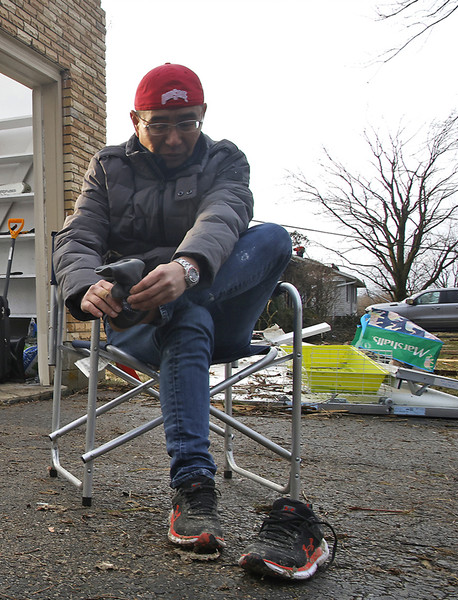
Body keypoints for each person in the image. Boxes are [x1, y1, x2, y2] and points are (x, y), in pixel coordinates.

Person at [53, 63, 333, 580]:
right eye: (160, 123)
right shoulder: (108, 166)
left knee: (270, 235)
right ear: (135, 119)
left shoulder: (225, 160)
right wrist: (81, 283)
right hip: (141, 318)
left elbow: (225, 215)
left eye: (186, 121)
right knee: (187, 321)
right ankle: (195, 488)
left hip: (216, 300)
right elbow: (77, 237)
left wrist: (186, 268)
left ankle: (176, 297)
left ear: (203, 115)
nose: (175, 135)